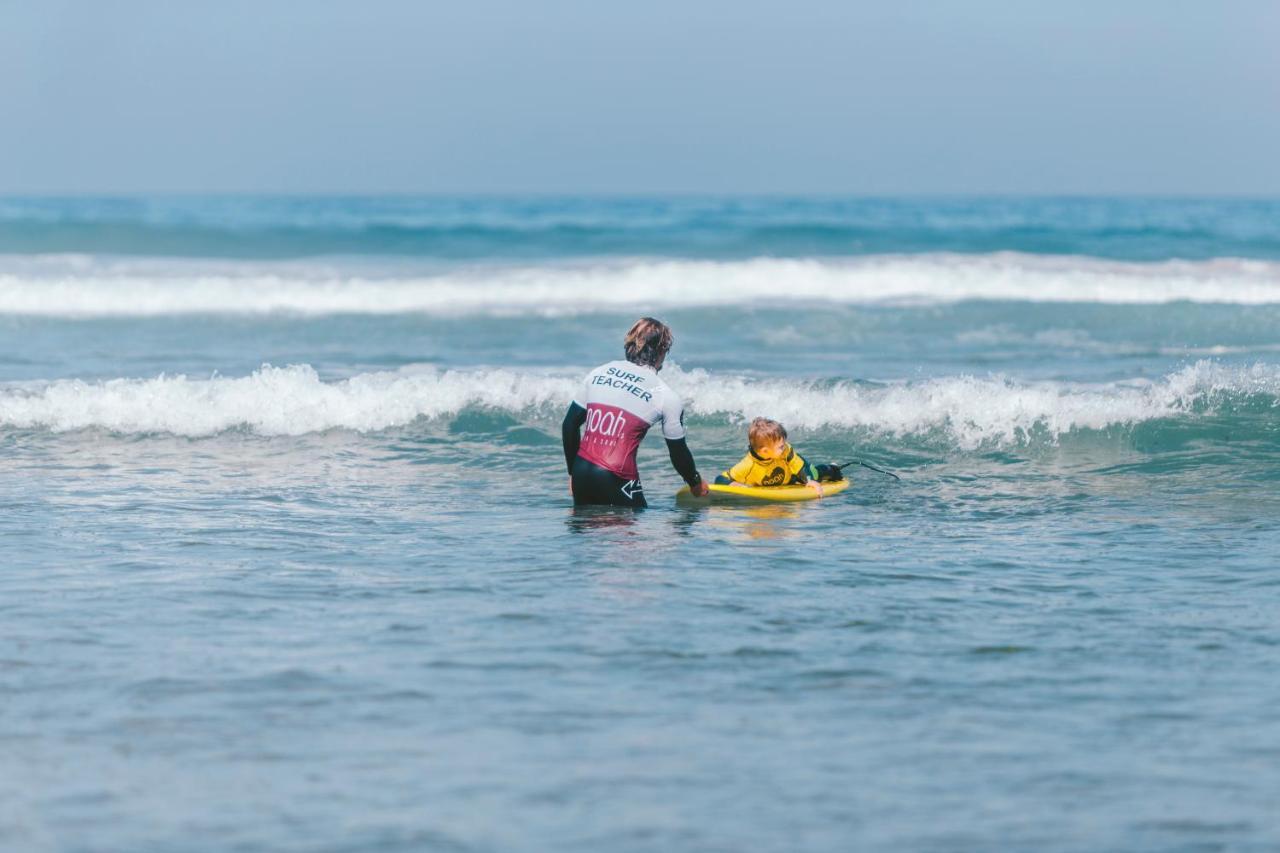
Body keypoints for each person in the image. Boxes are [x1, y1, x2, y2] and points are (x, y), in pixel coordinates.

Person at [562, 317, 710, 507]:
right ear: (662, 351)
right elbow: (678, 451)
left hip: (581, 470)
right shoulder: (666, 395)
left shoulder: (599, 373)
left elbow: (569, 425)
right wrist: (695, 482)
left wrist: (573, 472)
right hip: (618, 476)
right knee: (635, 532)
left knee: (588, 533)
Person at [715, 417, 843, 497]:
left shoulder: (786, 451)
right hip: (784, 481)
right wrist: (733, 484)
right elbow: (720, 479)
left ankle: (833, 468)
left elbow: (801, 468)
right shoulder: (748, 465)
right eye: (780, 446)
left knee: (815, 474)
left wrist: (809, 480)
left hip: (794, 474)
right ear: (765, 451)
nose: (785, 447)